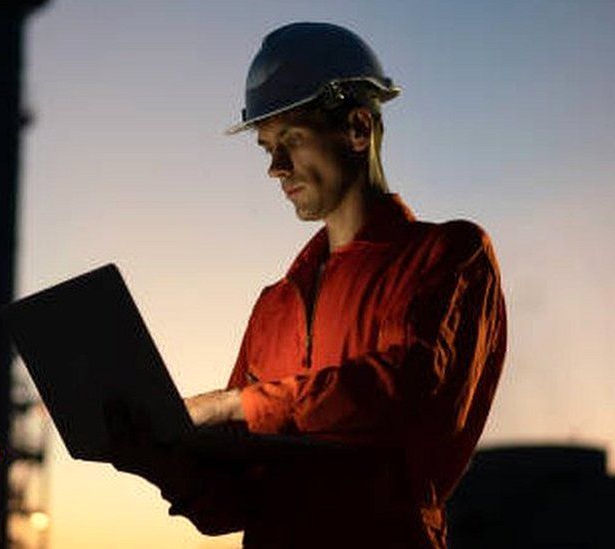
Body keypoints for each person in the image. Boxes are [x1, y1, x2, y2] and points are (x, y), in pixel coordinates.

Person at [107, 22, 507, 548]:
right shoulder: (274, 305)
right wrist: (159, 463)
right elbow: (233, 504)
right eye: (267, 147)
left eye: (291, 140)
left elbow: (403, 391)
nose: (275, 168)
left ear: (358, 129)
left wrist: (234, 406)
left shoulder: (448, 254)